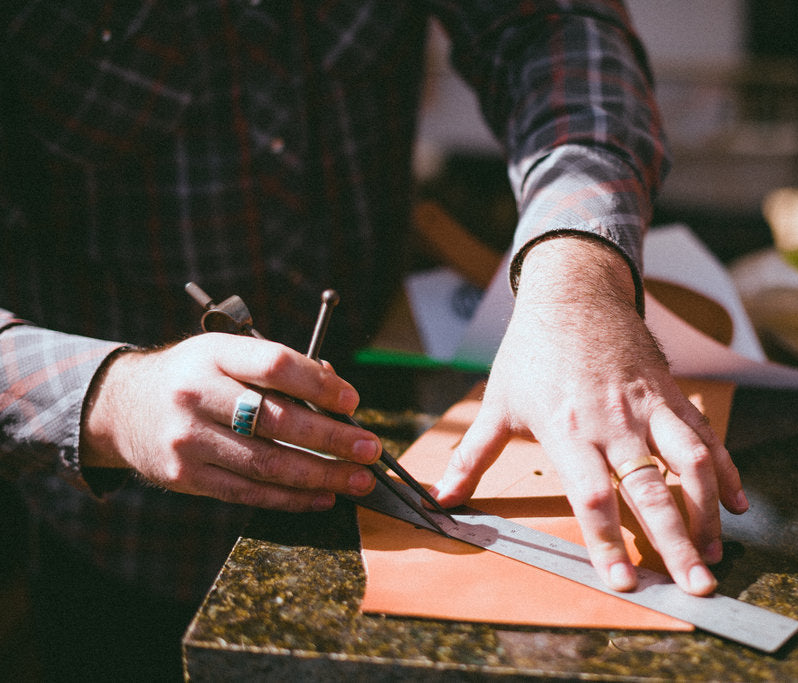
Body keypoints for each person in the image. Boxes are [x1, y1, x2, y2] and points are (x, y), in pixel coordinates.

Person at [1, 1, 747, 678]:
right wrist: (108, 396)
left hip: (390, 470)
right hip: (121, 554)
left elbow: (550, 26)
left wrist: (577, 271)